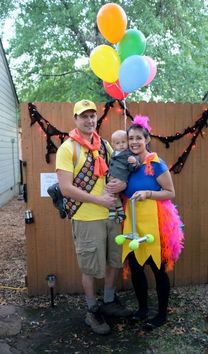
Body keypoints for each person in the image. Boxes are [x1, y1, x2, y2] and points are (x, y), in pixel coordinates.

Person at [56, 99, 132, 335]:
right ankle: (92, 311)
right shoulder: (68, 148)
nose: (89, 120)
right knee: (89, 268)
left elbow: (117, 171)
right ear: (75, 119)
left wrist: (123, 183)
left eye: (92, 116)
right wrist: (99, 200)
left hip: (112, 215)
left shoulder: (105, 146)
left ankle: (108, 302)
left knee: (113, 261)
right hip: (87, 218)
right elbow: (66, 188)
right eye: (84, 116)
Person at [122, 115, 184, 329]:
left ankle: (162, 315)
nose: (134, 142)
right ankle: (142, 309)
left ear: (147, 139)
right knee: (137, 269)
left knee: (158, 270)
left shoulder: (156, 164)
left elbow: (170, 192)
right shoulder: (128, 163)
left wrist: (148, 192)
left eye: (139, 138)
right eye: (131, 138)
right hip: (133, 222)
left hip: (157, 224)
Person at [107, 129, 140, 223]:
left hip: (120, 177)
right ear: (113, 144)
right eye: (118, 143)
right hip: (112, 177)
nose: (121, 145)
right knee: (114, 195)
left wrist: (134, 162)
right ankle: (121, 212)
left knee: (108, 192)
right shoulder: (113, 152)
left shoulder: (129, 154)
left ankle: (112, 210)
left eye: (123, 142)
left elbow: (132, 167)